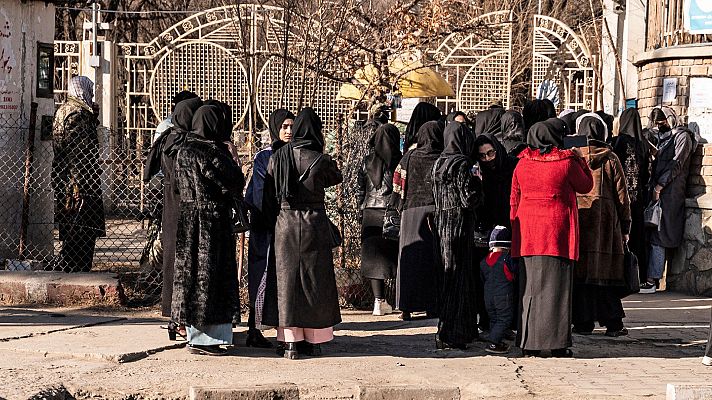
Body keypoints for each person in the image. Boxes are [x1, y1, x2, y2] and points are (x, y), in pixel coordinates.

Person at [511, 118, 593, 357]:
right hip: (557, 231)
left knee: (529, 289)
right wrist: (580, 158)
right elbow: (586, 185)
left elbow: (514, 199)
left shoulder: (521, 164)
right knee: (557, 290)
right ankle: (556, 344)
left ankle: (528, 343)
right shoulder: (566, 162)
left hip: (528, 232)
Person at [265, 108, 343, 359]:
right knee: (314, 282)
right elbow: (336, 178)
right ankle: (314, 340)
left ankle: (289, 343)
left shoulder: (277, 157)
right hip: (314, 225)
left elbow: (268, 193)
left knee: (285, 282)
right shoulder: (321, 160)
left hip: (285, 224)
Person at [171, 105, 245, 356]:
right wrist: (232, 157)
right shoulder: (210, 151)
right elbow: (234, 180)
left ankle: (193, 333)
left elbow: (177, 188)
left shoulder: (183, 150)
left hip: (188, 218)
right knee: (210, 279)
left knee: (190, 277)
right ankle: (207, 339)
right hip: (211, 222)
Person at [144, 97, 203, 335]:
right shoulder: (189, 143)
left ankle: (172, 315)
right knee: (188, 260)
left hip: (169, 203)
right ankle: (184, 318)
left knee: (171, 258)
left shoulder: (166, 140)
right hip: (186, 203)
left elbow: (150, 172)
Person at [572, 114, 631, 337]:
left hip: (579, 218)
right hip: (605, 224)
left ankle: (583, 323)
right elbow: (622, 196)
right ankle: (613, 324)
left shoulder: (572, 156)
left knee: (582, 276)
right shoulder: (610, 158)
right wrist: (625, 227)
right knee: (606, 277)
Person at [244, 109, 295, 348]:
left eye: (291, 126)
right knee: (262, 274)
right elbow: (258, 192)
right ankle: (255, 328)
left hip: (287, 225)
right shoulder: (265, 156)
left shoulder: (296, 153)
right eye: (284, 126)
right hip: (266, 225)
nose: (288, 131)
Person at [432, 121, 482, 350]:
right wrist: (479, 185)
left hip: (441, 223)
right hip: (459, 224)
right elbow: (467, 198)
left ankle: (443, 330)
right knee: (461, 278)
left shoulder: (439, 163)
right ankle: (457, 332)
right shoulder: (461, 164)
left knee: (446, 276)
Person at [50, 76, 106, 273]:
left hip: (64, 177)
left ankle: (71, 264)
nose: (91, 94)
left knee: (71, 225)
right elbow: (78, 154)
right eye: (89, 90)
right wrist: (80, 186)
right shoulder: (78, 114)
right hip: (78, 182)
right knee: (82, 228)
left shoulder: (64, 109)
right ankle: (77, 267)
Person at [391, 121, 445, 321]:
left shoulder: (409, 158)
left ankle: (406, 306)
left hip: (411, 213)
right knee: (433, 261)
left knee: (409, 261)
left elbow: (397, 184)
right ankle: (432, 305)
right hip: (435, 214)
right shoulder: (442, 158)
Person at [641, 107, 696, 293]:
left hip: (670, 193)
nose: (659, 126)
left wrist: (660, 186)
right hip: (661, 192)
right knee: (655, 233)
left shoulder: (682, 137)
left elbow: (677, 164)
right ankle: (652, 278)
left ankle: (652, 279)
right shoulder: (666, 137)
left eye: (662, 122)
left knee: (660, 235)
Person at [358, 123, 402, 316]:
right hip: (392, 213)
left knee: (374, 259)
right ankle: (400, 300)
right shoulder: (399, 161)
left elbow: (360, 189)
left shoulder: (366, 161)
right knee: (398, 256)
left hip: (370, 213)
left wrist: (361, 209)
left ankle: (378, 301)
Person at [611, 108, 651, 280]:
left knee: (622, 236)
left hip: (621, 198)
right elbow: (647, 174)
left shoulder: (618, 142)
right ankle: (639, 276)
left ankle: (622, 276)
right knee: (638, 238)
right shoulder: (644, 144)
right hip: (638, 198)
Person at [480, 226, 518, 354]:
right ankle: (493, 342)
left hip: (488, 296)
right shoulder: (507, 259)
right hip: (503, 295)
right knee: (504, 319)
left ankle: (496, 340)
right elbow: (515, 273)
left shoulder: (484, 261)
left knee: (494, 319)